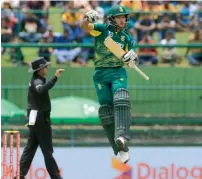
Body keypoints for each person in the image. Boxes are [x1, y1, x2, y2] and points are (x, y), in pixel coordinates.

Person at [81, 5, 139, 163]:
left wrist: (132, 57)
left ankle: (122, 136)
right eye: (119, 17)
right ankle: (121, 148)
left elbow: (132, 56)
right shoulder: (101, 30)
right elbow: (85, 28)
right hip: (100, 73)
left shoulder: (126, 38)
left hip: (117, 72)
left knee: (121, 98)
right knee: (106, 112)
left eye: (124, 17)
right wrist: (86, 19)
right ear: (112, 19)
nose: (123, 20)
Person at [15, 57, 64, 179]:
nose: (47, 68)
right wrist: (55, 77)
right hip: (40, 120)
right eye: (45, 66)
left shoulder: (37, 79)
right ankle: (56, 177)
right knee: (47, 152)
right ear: (40, 69)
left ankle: (19, 175)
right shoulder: (37, 81)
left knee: (30, 149)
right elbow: (41, 89)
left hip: (35, 118)